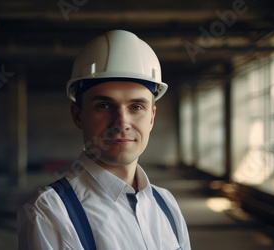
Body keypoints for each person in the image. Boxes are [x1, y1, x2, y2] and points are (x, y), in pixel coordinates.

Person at [18, 30, 191, 250]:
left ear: (151, 118)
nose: (122, 122)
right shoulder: (50, 212)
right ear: (77, 115)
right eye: (104, 106)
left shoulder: (166, 204)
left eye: (136, 107)